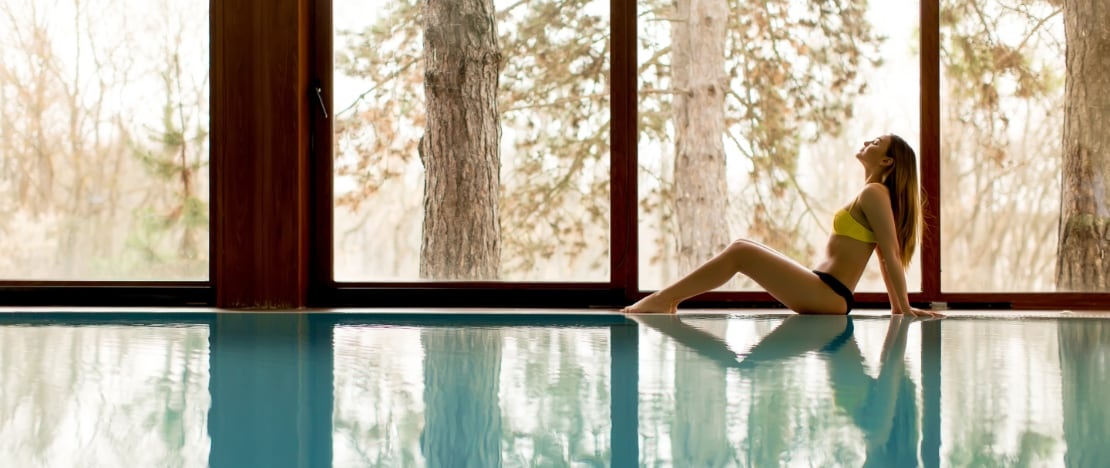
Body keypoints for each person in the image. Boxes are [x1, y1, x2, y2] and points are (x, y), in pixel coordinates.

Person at [623, 134, 942, 317]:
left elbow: (890, 253)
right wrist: (900, 308)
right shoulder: (871, 193)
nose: (866, 142)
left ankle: (664, 300)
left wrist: (903, 307)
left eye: (876, 142)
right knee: (745, 247)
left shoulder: (875, 193)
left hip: (830, 294)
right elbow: (887, 255)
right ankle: (668, 299)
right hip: (824, 288)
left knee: (740, 252)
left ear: (887, 161)